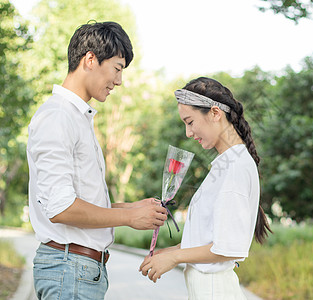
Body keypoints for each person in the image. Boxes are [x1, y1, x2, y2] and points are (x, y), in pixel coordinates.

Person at [27, 21, 167, 300]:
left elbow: (78, 201)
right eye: (117, 69)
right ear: (90, 59)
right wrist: (128, 217)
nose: (119, 81)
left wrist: (131, 207)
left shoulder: (77, 118)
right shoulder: (58, 117)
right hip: (69, 270)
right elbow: (61, 208)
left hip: (79, 270)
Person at [139, 77, 272, 299]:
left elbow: (225, 249)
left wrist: (174, 258)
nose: (188, 133)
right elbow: (206, 239)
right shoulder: (226, 164)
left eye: (190, 122)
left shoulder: (236, 166)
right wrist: (168, 252)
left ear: (215, 113)